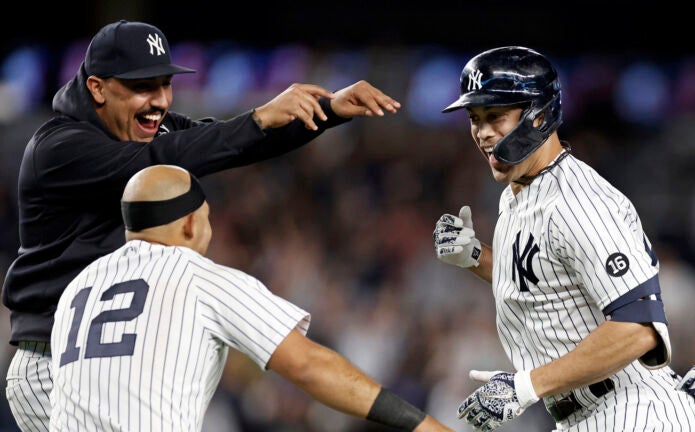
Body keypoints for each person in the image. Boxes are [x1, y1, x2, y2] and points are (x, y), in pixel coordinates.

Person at [2, 19, 401, 431]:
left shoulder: (147, 128)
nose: (159, 100)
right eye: (142, 86)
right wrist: (260, 116)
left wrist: (329, 111)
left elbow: (229, 145)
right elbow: (163, 157)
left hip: (118, 358)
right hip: (55, 361)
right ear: (98, 88)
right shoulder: (59, 147)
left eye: (164, 84)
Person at [432, 46, 695, 431]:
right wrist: (474, 255)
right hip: (586, 415)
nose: (482, 133)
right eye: (475, 118)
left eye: (495, 116)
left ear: (539, 116)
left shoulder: (579, 201)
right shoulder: (518, 194)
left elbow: (638, 330)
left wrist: (525, 386)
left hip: (633, 411)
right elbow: (541, 283)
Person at [47, 164, 451, 432]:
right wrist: (422, 425)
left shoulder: (78, 288)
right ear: (189, 223)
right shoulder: (199, 278)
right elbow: (309, 365)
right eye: (206, 217)